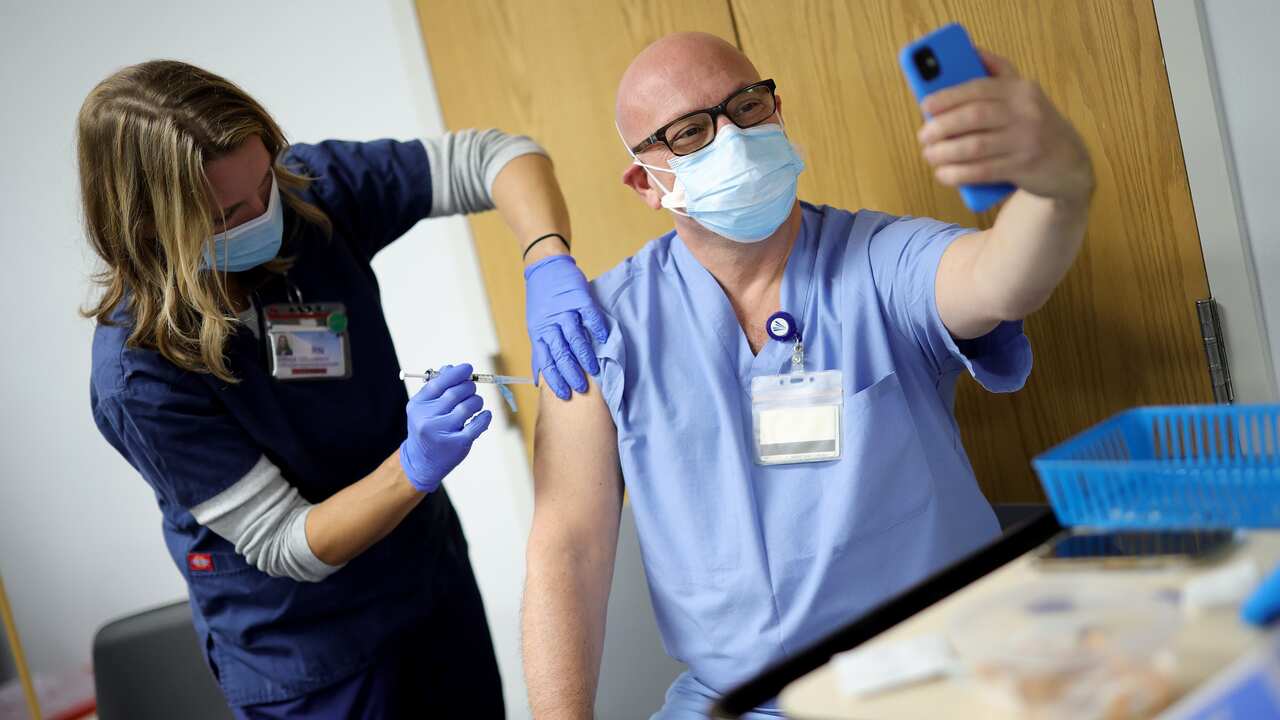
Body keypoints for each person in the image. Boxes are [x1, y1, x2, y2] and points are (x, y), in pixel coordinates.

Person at [522, 32, 1094, 719]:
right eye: (691, 132)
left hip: (938, 672)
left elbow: (1003, 279)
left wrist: (1058, 189)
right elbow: (569, 547)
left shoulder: (881, 261)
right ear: (647, 181)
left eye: (747, 106)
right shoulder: (603, 328)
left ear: (777, 109)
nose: (732, 137)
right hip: (739, 701)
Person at [82, 60, 603, 717]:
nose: (264, 214)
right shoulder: (141, 373)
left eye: (264, 179)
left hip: (425, 584)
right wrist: (414, 466)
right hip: (309, 654)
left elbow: (498, 156)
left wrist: (546, 258)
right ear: (151, 226)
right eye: (229, 214)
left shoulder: (305, 194)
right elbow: (285, 543)